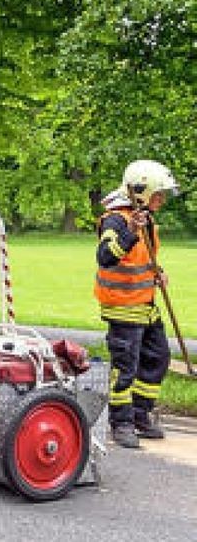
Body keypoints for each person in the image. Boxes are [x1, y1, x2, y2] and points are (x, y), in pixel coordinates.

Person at [95, 160, 179, 449]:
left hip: (145, 305)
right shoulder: (116, 220)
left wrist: (158, 271)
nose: (162, 199)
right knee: (125, 366)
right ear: (141, 191)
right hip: (123, 307)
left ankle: (140, 413)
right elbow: (106, 256)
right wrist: (129, 232)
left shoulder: (145, 219)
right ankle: (121, 422)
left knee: (158, 357)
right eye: (158, 193)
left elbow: (142, 258)